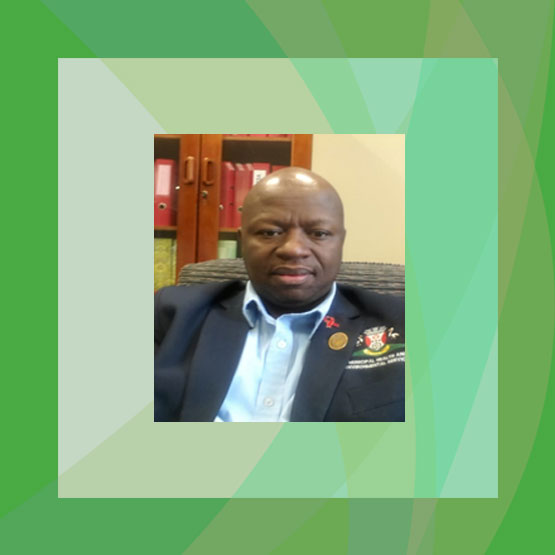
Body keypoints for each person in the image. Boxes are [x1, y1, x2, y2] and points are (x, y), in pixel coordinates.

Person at [155, 167, 404, 422]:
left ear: (340, 241)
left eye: (319, 234)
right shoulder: (171, 314)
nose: (294, 249)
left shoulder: (403, 323)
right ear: (243, 241)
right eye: (270, 232)